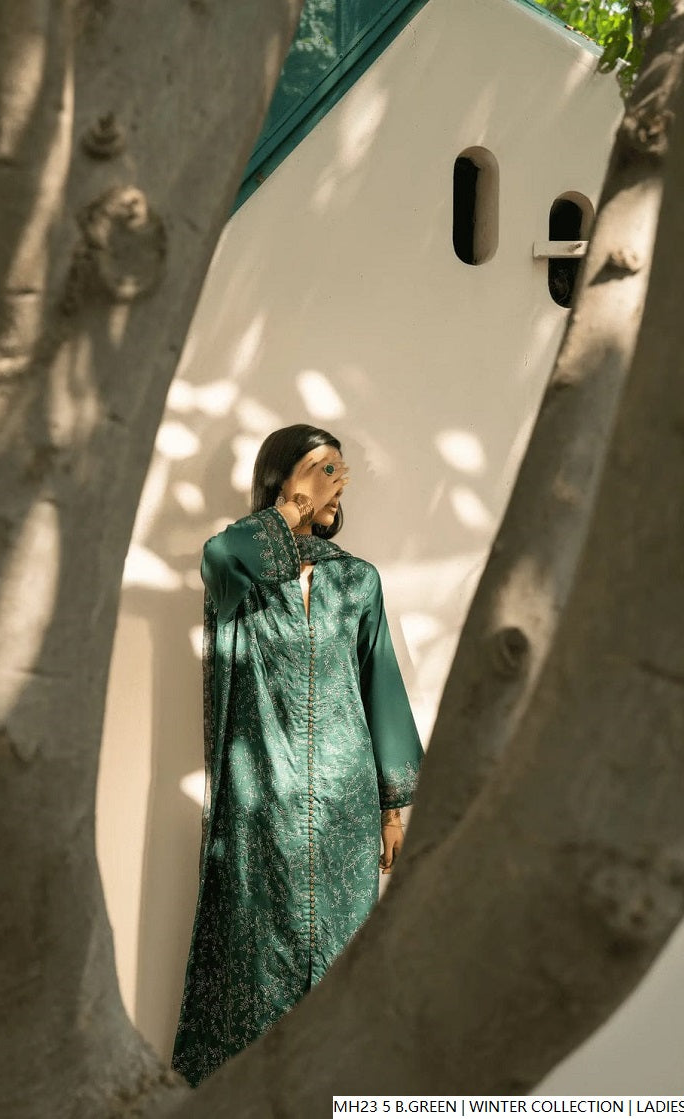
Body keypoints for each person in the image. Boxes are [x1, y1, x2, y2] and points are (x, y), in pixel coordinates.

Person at [171, 424, 423, 1086]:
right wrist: (293, 508)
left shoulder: (358, 581)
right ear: (282, 479)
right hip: (261, 801)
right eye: (321, 469)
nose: (336, 482)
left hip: (345, 804)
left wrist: (391, 808)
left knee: (343, 952)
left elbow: (380, 685)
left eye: (339, 471)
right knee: (257, 956)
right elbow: (220, 555)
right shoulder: (242, 574)